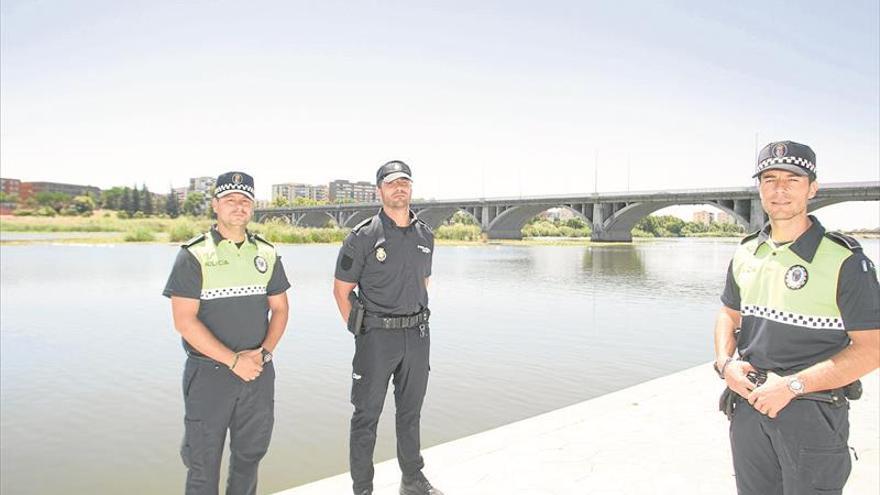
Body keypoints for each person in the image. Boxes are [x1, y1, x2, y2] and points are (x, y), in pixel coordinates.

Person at [713, 141, 880, 495]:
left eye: (793, 178)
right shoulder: (746, 252)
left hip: (811, 416)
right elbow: (728, 316)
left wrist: (791, 386)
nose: (780, 189)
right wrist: (726, 363)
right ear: (759, 188)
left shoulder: (846, 261)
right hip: (748, 410)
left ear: (812, 188)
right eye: (769, 178)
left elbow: (872, 349)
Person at [163, 171, 290, 495]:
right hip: (209, 375)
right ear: (215, 206)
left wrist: (263, 354)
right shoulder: (193, 255)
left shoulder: (266, 253)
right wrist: (234, 361)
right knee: (203, 466)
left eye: (245, 201)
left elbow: (280, 309)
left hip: (258, 373)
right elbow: (185, 321)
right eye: (230, 200)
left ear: (252, 208)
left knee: (249, 459)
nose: (238, 206)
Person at [333, 160, 443, 495]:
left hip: (417, 335)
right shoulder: (364, 236)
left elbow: (424, 281)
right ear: (380, 190)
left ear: (411, 188)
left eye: (405, 183)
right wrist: (362, 331)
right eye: (392, 183)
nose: (400, 188)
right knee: (366, 417)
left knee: (410, 413)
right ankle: (363, 489)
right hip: (377, 339)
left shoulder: (426, 235)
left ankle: (412, 479)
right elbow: (341, 290)